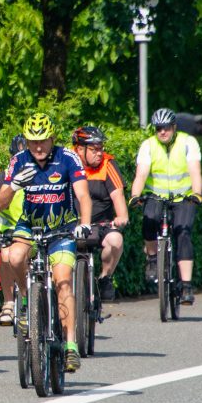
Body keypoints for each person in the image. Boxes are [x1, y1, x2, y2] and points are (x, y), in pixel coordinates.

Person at [0, 113, 92, 373]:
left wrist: (84, 223)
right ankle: (27, 302)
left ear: (52, 139)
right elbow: (0, 204)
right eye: (32, 142)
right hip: (30, 225)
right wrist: (13, 185)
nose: (38, 147)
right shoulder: (19, 160)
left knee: (62, 281)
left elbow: (83, 195)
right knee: (13, 257)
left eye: (43, 142)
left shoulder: (67, 158)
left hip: (61, 228)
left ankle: (71, 345)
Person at [130, 109, 202, 305]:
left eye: (166, 128)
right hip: (156, 196)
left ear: (174, 128)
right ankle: (153, 259)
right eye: (158, 129)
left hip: (184, 197)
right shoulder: (148, 145)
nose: (162, 132)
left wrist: (197, 193)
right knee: (149, 220)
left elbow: (195, 172)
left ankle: (186, 285)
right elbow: (142, 174)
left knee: (183, 232)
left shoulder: (188, 143)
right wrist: (135, 196)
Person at [71, 126, 129, 301]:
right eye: (94, 149)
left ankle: (105, 277)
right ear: (80, 149)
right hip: (73, 224)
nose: (99, 153)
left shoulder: (107, 165)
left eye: (101, 148)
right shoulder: (68, 164)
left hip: (102, 224)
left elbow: (117, 194)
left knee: (116, 240)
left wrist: (121, 217)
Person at [0, 134, 27, 325]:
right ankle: (9, 302)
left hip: (34, 228)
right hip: (9, 230)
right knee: (4, 256)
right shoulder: (3, 177)